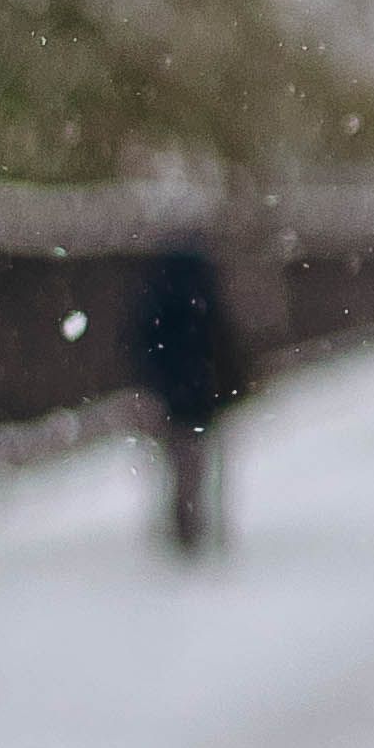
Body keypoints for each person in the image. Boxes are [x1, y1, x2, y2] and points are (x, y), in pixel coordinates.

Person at [130, 233, 251, 555]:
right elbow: (226, 346)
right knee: (198, 462)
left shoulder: (157, 300)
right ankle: (196, 523)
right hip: (203, 397)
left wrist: (154, 383)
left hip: (175, 397)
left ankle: (185, 524)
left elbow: (141, 344)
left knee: (179, 464)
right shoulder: (206, 297)